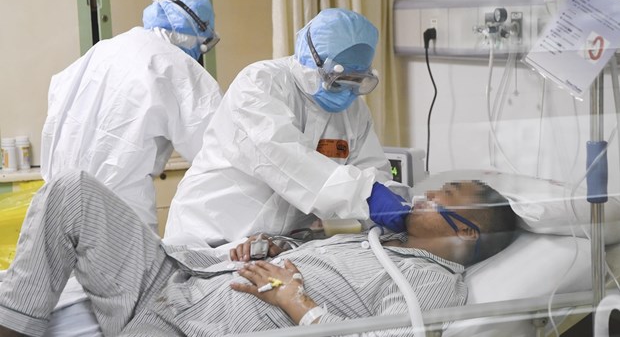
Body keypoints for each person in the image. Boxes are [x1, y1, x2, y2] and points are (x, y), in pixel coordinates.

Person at [0, 170, 517, 337]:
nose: (422, 194)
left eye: (442, 195)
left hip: (196, 330)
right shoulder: (377, 240)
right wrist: (279, 246)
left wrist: (296, 302)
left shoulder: (432, 284)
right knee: (71, 189)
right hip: (177, 283)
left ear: (465, 231)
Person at [164, 8, 412, 247]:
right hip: (211, 233)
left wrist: (399, 201)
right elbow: (287, 158)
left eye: (357, 81)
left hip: (275, 246)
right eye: (338, 80)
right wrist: (368, 195)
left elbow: (371, 170)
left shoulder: (355, 112)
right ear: (313, 61)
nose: (348, 92)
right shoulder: (260, 83)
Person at [40, 0, 223, 231]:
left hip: (56, 210)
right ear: (195, 34)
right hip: (119, 217)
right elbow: (217, 147)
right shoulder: (173, 64)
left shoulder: (99, 52)